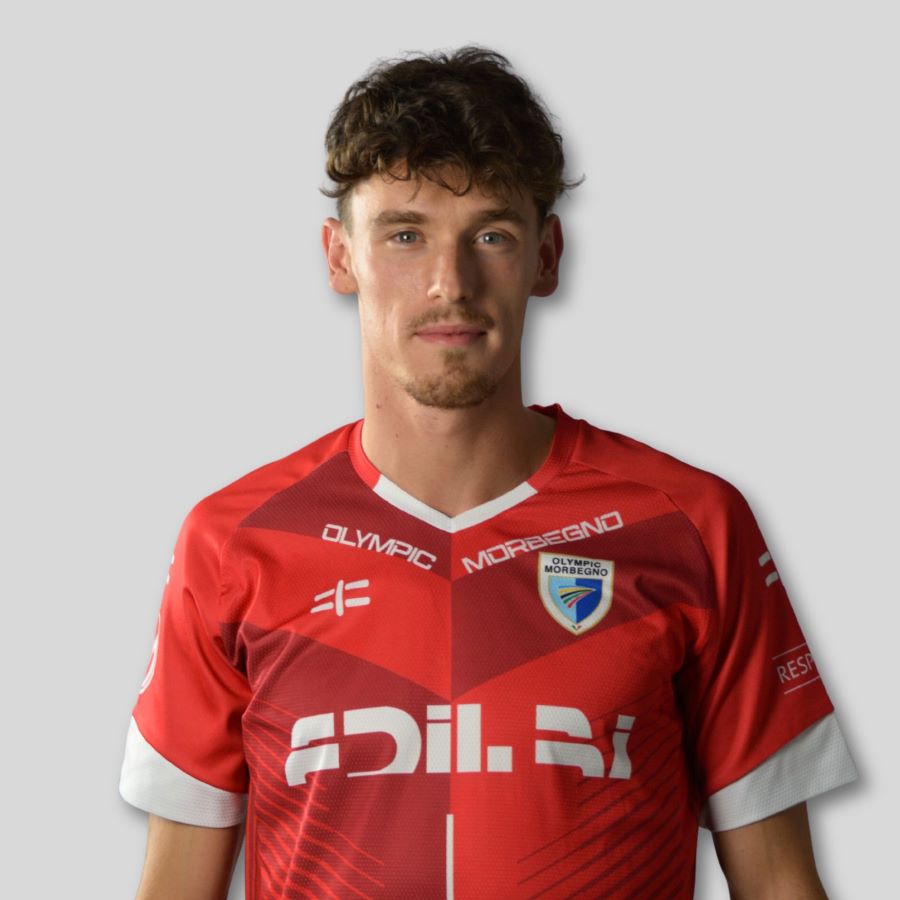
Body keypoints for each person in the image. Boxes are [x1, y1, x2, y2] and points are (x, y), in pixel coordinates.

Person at [119, 46, 858, 899]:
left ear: (546, 257)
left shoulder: (691, 524)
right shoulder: (234, 542)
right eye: (405, 234)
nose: (450, 283)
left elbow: (780, 884)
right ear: (340, 256)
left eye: (492, 235)